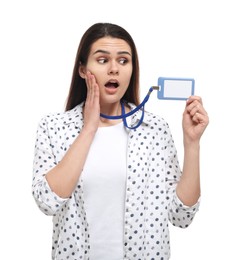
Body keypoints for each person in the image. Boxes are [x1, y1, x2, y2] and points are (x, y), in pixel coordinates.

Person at [32, 22, 209, 260]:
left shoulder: (155, 129)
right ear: (83, 70)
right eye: (103, 60)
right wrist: (89, 129)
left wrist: (192, 143)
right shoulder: (53, 128)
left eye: (124, 61)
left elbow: (181, 215)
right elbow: (47, 201)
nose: (114, 69)